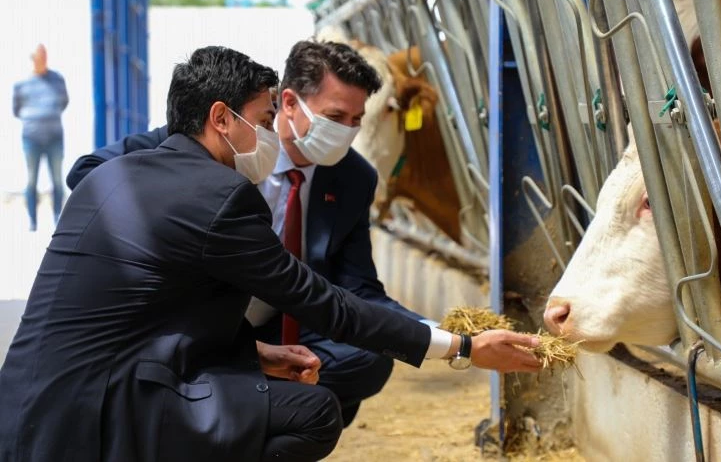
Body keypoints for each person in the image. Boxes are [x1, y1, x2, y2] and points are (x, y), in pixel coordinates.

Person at [1, 45, 542, 462]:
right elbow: (320, 300)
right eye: (261, 123)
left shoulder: (115, 178)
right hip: (102, 410)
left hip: (28, 398)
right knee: (313, 414)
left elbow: (350, 290)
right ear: (221, 118)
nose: (348, 133)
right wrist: (463, 348)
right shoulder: (215, 192)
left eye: (359, 120)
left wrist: (251, 356)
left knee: (352, 362)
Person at [67, 40, 436, 427]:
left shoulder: (355, 178)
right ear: (289, 104)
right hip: (200, 316)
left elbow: (358, 286)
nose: (347, 131)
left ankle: (248, 389)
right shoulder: (209, 144)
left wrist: (430, 330)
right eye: (335, 116)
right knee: (311, 404)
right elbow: (87, 171)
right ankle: (247, 394)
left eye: (356, 119)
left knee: (368, 360)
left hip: (288, 320)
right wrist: (177, 210)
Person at [12, 44, 69, 231]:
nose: (43, 58)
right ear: (33, 58)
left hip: (54, 138)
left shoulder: (57, 79)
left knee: (58, 181)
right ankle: (32, 221)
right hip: (31, 139)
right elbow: (16, 109)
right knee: (31, 181)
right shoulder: (22, 84)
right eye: (39, 55)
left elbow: (63, 102)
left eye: (45, 55)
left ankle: (57, 218)